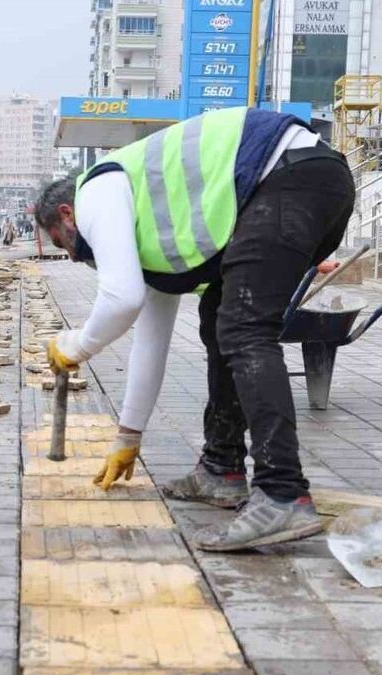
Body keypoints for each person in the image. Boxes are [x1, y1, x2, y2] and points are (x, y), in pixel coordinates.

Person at [36, 107, 355, 552]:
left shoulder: (97, 189)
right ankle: (221, 469)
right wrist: (129, 435)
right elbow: (150, 337)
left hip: (288, 177)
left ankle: (282, 493)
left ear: (67, 214)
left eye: (61, 242)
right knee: (220, 316)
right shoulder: (146, 228)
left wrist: (75, 345)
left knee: (244, 328)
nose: (71, 258)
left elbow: (121, 299)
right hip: (307, 181)